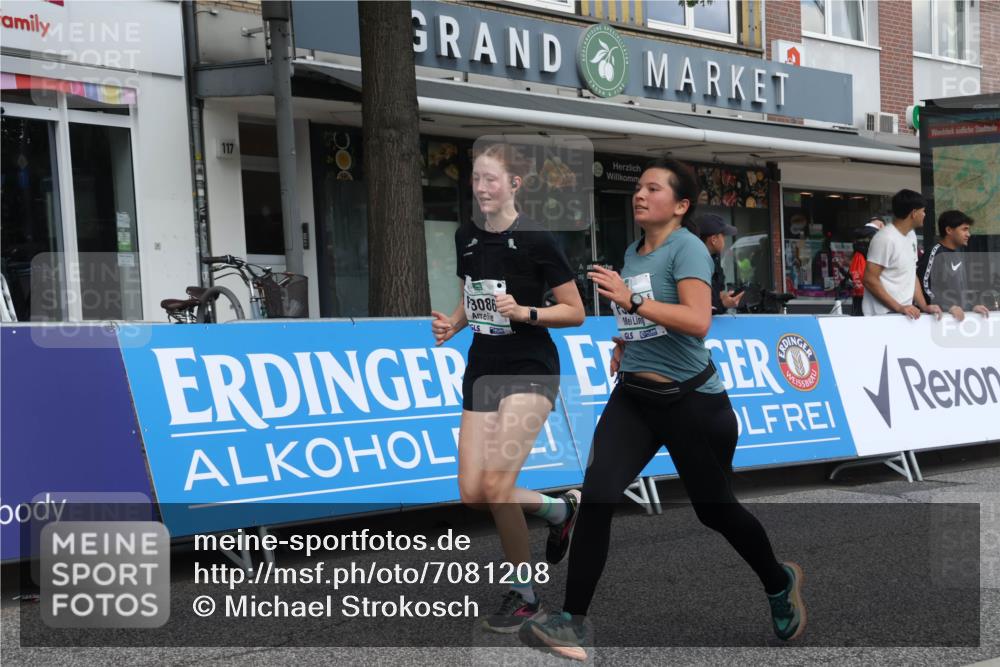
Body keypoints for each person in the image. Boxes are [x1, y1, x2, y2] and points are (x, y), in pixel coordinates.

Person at [526, 158, 805, 660]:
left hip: (691, 402)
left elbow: (698, 321)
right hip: (634, 397)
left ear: (679, 206)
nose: (639, 194)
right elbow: (651, 317)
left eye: (652, 188)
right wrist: (624, 341)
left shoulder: (688, 248)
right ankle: (573, 622)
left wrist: (631, 303)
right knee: (598, 495)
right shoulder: (633, 252)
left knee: (715, 512)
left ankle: (778, 579)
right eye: (637, 187)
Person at [430, 143, 586, 633]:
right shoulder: (466, 236)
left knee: (498, 485)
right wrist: (453, 324)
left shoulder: (538, 240)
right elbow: (470, 293)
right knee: (473, 492)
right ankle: (559, 509)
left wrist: (526, 313)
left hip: (530, 365)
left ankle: (526, 597)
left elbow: (575, 311)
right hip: (482, 365)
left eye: (491, 180)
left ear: (514, 185)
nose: (481, 189)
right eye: (476, 179)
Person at [861, 189, 942, 319]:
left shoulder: (911, 235)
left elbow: (910, 274)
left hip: (904, 313)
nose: (925, 215)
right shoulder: (885, 238)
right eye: (923, 211)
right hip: (882, 316)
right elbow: (869, 279)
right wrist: (899, 307)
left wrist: (924, 306)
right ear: (914, 213)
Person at [917, 210, 992, 321]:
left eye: (968, 230)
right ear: (948, 230)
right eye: (964, 229)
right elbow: (924, 286)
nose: (968, 234)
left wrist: (971, 306)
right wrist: (948, 306)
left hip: (956, 320)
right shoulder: (934, 252)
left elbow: (960, 291)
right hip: (935, 321)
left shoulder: (958, 254)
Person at [697, 213, 743, 314]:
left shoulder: (715, 258)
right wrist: (724, 304)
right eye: (723, 236)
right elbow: (702, 307)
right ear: (713, 239)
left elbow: (719, 291)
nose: (725, 240)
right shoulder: (695, 263)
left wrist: (724, 297)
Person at [848, 222, 880, 316]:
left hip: (864, 298)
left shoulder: (859, 255)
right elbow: (859, 280)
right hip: (865, 299)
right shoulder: (861, 256)